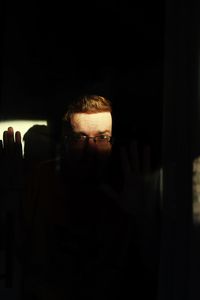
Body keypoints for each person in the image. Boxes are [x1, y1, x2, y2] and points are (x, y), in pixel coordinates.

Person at [12, 94, 161, 299]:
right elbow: (17, 253)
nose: (91, 150)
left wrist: (142, 219)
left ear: (112, 141)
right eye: (79, 138)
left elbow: (154, 271)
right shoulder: (41, 180)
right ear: (64, 142)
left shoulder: (126, 188)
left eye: (101, 137)